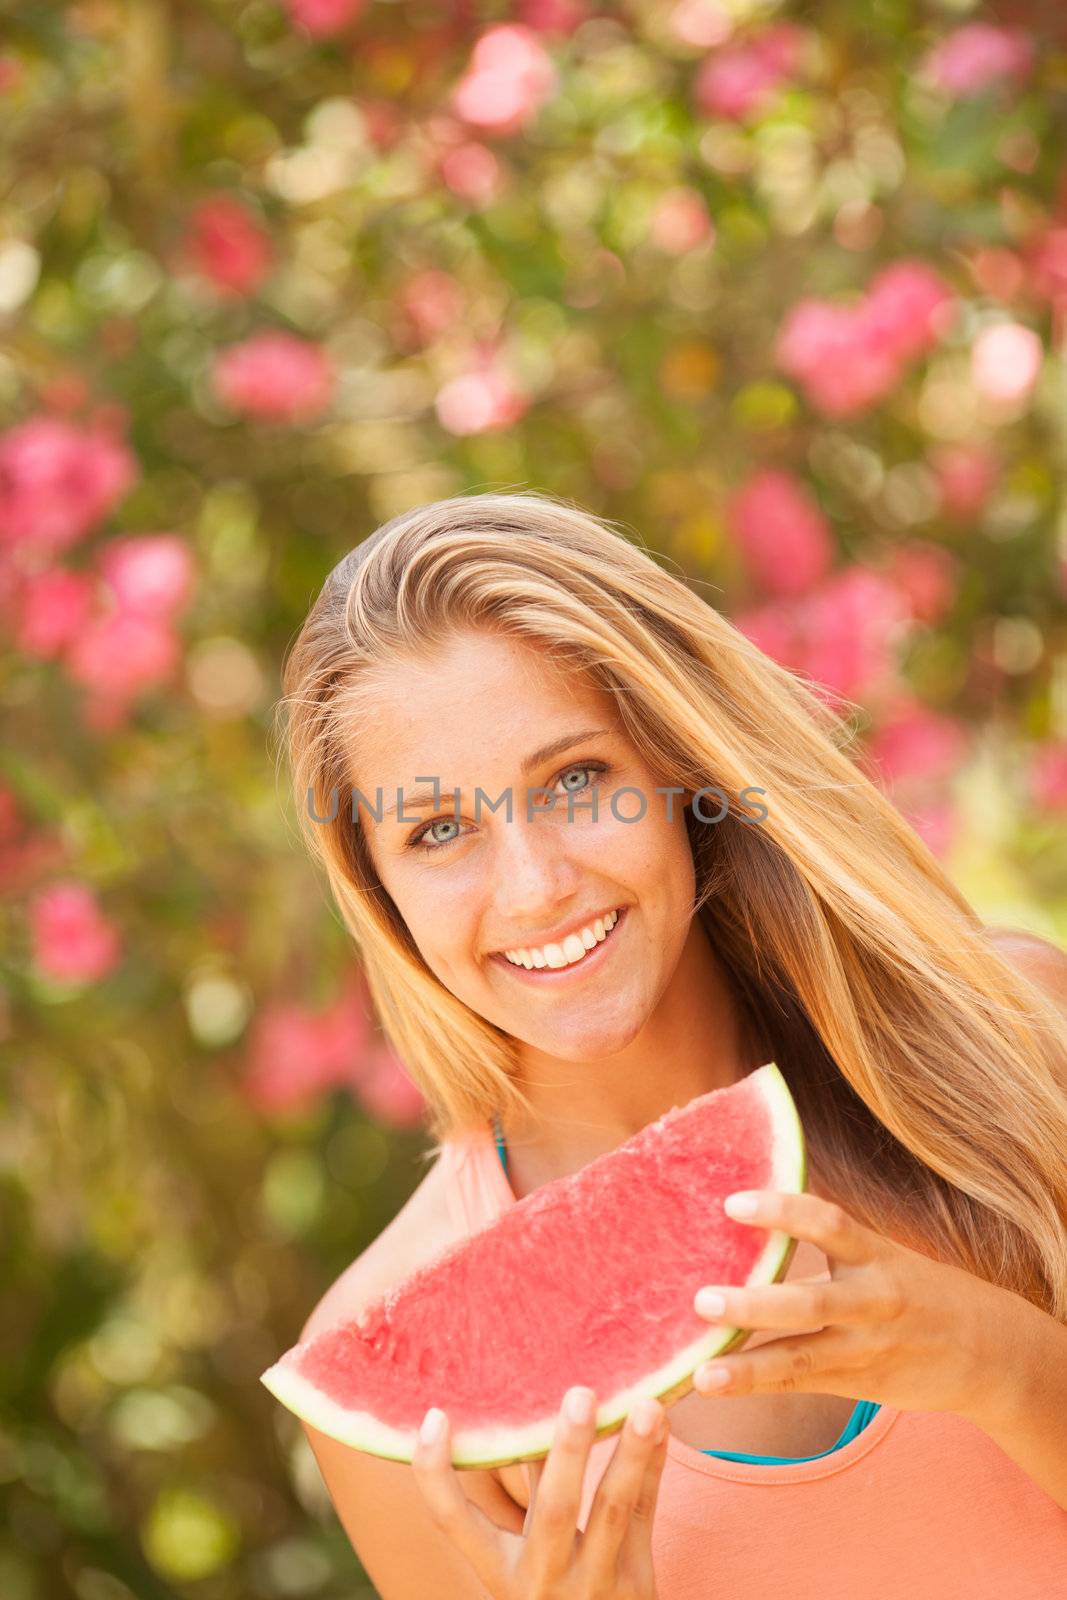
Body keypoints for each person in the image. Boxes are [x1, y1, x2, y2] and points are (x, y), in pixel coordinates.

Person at [272, 490, 1067, 1599]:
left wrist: (1009, 1365)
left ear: (680, 774)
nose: (535, 887)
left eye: (575, 780)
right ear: (379, 887)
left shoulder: (1020, 1037)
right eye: (438, 828)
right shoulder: (398, 1402)